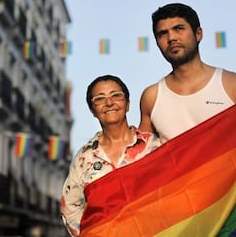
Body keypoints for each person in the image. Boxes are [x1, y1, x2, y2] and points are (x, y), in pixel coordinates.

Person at [138, 3, 236, 236]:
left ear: (198, 34)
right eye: (163, 33)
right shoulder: (151, 97)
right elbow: (143, 160)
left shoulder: (235, 85)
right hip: (180, 220)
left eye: (179, 28)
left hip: (232, 213)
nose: (171, 37)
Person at [60, 75, 161, 236]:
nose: (109, 103)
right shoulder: (84, 158)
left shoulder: (153, 146)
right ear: (92, 110)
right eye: (99, 99)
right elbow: (70, 206)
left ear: (128, 104)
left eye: (116, 95)